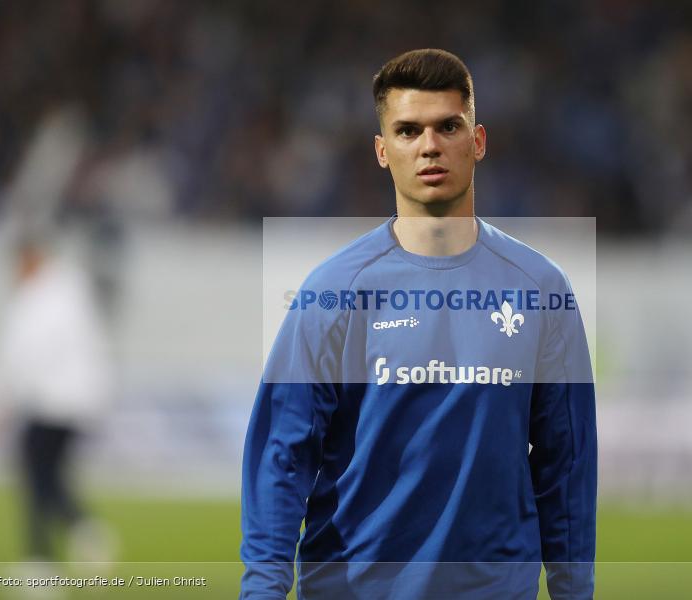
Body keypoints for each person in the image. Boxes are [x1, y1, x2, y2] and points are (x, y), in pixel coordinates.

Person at [241, 49, 597, 599]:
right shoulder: (332, 291)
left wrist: (574, 591)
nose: (429, 145)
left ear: (477, 141)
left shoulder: (542, 290)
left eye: (447, 126)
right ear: (383, 152)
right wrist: (262, 591)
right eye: (408, 131)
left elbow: (566, 461)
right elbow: (281, 455)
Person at [0, 237, 115, 565]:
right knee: (48, 476)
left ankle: (41, 558)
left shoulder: (39, 299)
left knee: (36, 479)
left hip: (49, 402)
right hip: (77, 402)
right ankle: (81, 528)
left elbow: (25, 354)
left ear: (31, 259)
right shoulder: (71, 292)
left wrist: (3, 400)